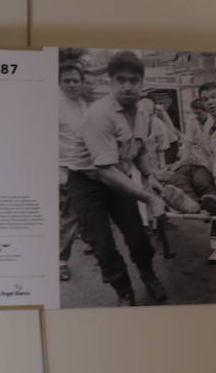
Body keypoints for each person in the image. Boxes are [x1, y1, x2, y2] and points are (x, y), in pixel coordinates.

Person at [63, 50, 169, 306]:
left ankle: (148, 274)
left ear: (142, 83)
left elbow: (139, 147)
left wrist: (149, 175)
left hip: (117, 179)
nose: (127, 86)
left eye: (134, 81)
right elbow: (105, 171)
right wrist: (148, 197)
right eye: (120, 80)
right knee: (103, 247)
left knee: (138, 238)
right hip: (87, 184)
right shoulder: (100, 114)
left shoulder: (143, 111)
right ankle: (124, 291)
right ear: (110, 82)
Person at [57, 56, 90, 282]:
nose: (71, 84)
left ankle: (89, 241)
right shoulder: (55, 107)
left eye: (75, 80)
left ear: (82, 82)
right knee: (69, 218)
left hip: (84, 168)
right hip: (64, 169)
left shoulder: (82, 105)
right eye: (67, 81)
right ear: (60, 83)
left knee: (78, 214)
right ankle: (60, 262)